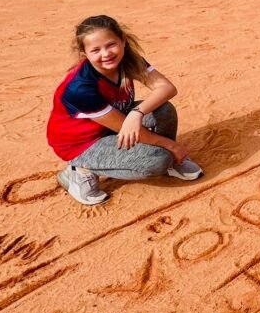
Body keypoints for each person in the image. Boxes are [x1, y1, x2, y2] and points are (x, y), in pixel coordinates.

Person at [46, 15, 203, 206]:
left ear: (123, 40)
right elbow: (122, 126)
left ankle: (170, 160)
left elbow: (167, 88)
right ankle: (79, 170)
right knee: (157, 160)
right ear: (84, 53)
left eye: (111, 44)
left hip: (111, 123)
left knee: (163, 108)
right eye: (95, 50)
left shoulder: (129, 61)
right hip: (80, 143)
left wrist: (137, 113)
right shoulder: (80, 88)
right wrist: (171, 146)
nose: (106, 54)